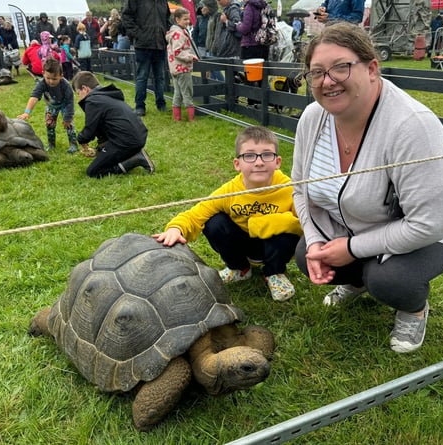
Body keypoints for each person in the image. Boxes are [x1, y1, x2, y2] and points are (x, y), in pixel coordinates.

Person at [291, 22, 443, 353]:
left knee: (389, 280)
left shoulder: (412, 127)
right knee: (303, 252)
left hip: (435, 228)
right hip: (356, 223)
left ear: (372, 68)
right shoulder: (312, 118)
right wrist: (317, 240)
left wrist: (350, 249)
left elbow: (429, 224)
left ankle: (412, 308)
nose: (327, 81)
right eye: (317, 72)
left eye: (341, 67)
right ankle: (356, 280)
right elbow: (300, 189)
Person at [153, 126, 301, 302]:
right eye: (249, 155)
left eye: (267, 154)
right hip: (243, 243)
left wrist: (269, 223)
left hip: (275, 245)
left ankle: (274, 272)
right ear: (237, 164)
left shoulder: (290, 189)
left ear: (277, 162)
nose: (259, 162)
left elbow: (305, 224)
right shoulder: (229, 191)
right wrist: (176, 229)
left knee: (286, 234)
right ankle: (239, 268)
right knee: (214, 222)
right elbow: (196, 213)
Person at [71, 71, 155, 178]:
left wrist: (81, 140)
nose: (79, 98)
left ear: (85, 88)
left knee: (93, 171)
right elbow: (102, 128)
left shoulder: (92, 100)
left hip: (126, 141)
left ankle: (136, 158)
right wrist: (99, 150)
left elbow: (89, 131)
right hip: (137, 136)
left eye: (78, 93)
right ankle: (133, 155)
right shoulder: (106, 95)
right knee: (103, 157)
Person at [17, 58, 78, 153]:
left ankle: (73, 145)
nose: (51, 81)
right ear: (43, 74)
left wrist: (67, 118)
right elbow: (34, 97)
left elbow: (70, 102)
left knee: (69, 125)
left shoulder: (66, 85)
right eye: (48, 78)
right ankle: (51, 145)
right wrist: (27, 112)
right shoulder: (42, 83)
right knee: (49, 124)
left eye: (54, 79)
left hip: (65, 105)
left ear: (61, 76)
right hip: (51, 106)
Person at [122, 0, 170, 116]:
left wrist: (166, 33)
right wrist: (137, 34)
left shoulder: (163, 2)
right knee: (142, 76)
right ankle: (140, 106)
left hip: (160, 43)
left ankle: (161, 103)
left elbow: (166, 19)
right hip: (143, 44)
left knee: (160, 76)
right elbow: (126, 16)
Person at [167, 7, 199, 122]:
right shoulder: (178, 34)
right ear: (177, 20)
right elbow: (177, 51)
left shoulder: (174, 32)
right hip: (182, 68)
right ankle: (191, 118)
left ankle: (177, 118)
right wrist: (190, 57)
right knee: (187, 92)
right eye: (185, 19)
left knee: (178, 93)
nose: (187, 21)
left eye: (188, 19)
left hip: (175, 68)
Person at [236, 0, 270, 106]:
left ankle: (252, 102)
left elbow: (246, 28)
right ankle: (263, 101)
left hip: (250, 44)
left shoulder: (250, 7)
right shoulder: (265, 5)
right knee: (262, 75)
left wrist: (238, 25)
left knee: (250, 76)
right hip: (263, 44)